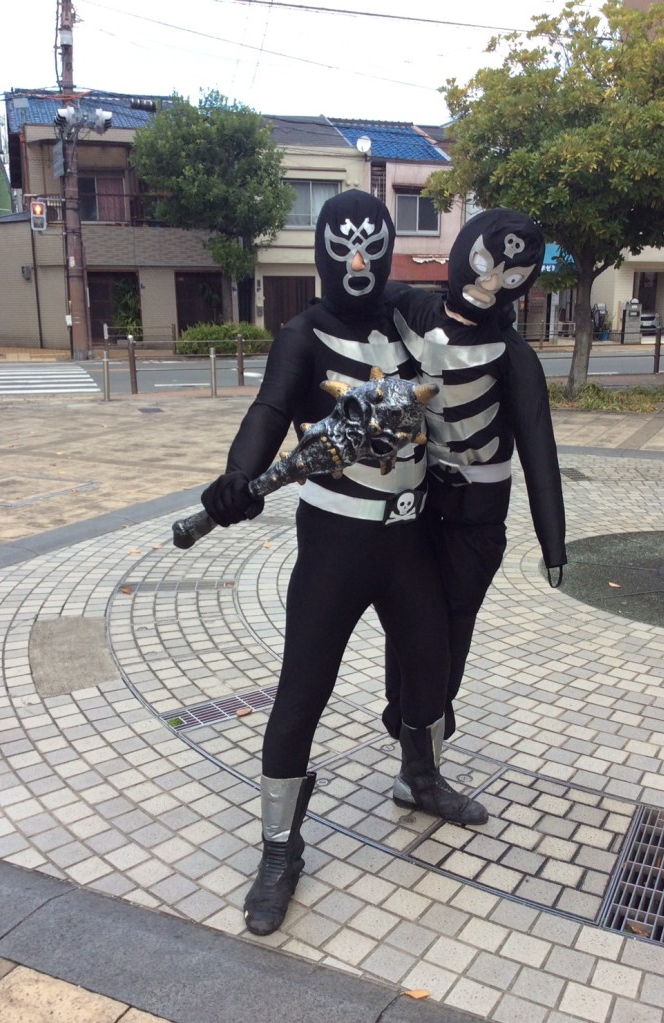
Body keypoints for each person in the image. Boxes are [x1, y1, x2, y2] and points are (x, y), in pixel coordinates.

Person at [200, 190, 488, 938]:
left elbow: (472, 331)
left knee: (430, 670)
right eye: (343, 247)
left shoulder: (408, 319)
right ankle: (279, 848)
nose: (357, 262)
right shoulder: (302, 335)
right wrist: (239, 474)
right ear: (321, 253)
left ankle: (419, 777)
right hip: (335, 544)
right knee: (303, 691)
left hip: (410, 540)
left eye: (371, 246)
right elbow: (269, 410)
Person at [382, 207, 567, 742]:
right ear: (464, 252)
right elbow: (359, 299)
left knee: (455, 621)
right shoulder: (411, 308)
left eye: (509, 278)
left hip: (478, 518)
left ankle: (430, 719)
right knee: (407, 614)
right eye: (485, 265)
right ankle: (405, 710)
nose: (489, 285)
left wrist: (553, 542)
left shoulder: (513, 355)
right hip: (416, 505)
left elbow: (539, 448)